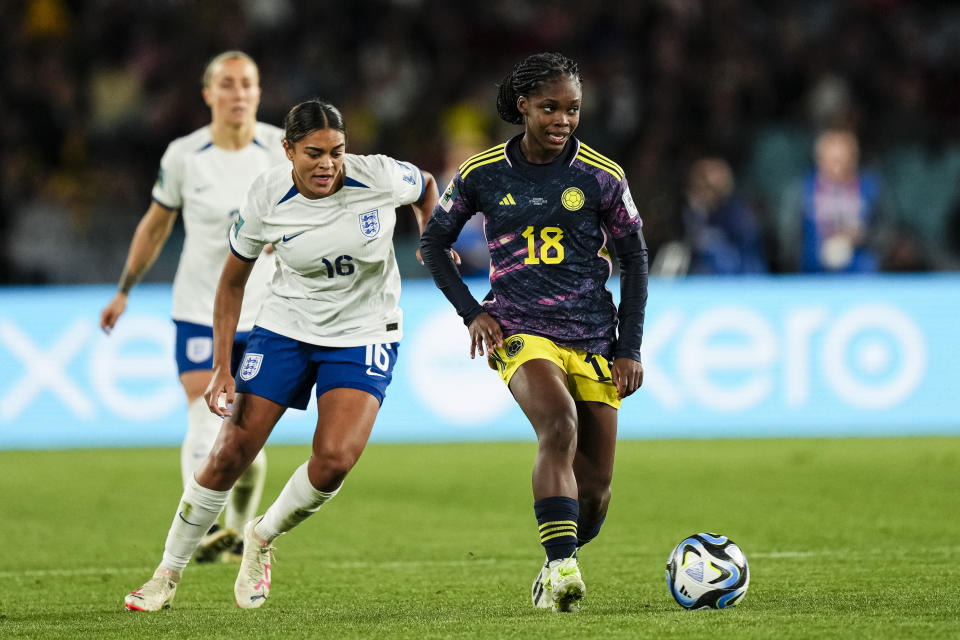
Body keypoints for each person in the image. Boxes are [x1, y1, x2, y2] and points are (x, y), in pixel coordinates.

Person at [123, 98, 440, 611]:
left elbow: (425, 184)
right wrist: (223, 367)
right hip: (285, 327)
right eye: (314, 153)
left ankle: (262, 537)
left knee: (335, 459)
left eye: (337, 151)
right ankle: (166, 574)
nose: (328, 164)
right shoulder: (267, 195)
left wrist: (432, 231)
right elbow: (231, 284)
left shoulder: (379, 175)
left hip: (364, 330)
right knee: (227, 454)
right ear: (288, 149)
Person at [419, 52, 648, 613]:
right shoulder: (481, 173)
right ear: (522, 106)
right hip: (521, 330)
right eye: (550, 108)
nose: (563, 119)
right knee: (558, 425)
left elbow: (635, 260)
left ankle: (556, 562)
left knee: (594, 492)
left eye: (572, 109)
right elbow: (432, 244)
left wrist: (629, 347)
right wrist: (473, 312)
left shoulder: (601, 175)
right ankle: (565, 566)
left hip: (592, 334)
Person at [100, 51, 283, 563]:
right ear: (208, 94)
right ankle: (200, 528)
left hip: (270, 312)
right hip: (200, 308)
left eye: (247, 84)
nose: (238, 94)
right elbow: (155, 224)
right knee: (205, 415)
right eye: (226, 84)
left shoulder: (281, 149)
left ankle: (240, 530)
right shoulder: (184, 155)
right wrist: (124, 289)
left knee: (248, 433)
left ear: (259, 91)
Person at [778, 128, 886, 273]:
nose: (839, 167)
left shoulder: (871, 188)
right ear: (819, 159)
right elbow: (789, 238)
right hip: (812, 277)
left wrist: (862, 236)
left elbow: (886, 231)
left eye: (844, 160)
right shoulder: (801, 190)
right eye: (833, 161)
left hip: (862, 277)